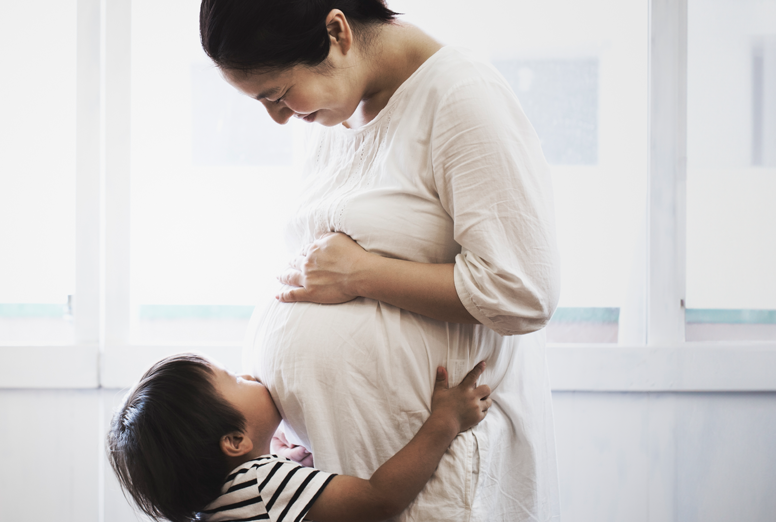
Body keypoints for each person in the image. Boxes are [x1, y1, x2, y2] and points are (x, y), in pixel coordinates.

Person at [201, 0, 562, 520]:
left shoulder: (461, 98)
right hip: (334, 468)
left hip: (436, 468)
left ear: (337, 31)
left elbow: (522, 291)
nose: (279, 117)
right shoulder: (328, 116)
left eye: (278, 94)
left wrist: (361, 274)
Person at [108, 353, 493, 522]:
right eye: (235, 381)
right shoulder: (259, 483)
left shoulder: (221, 505)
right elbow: (381, 498)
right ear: (235, 441)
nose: (249, 375)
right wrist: (444, 422)